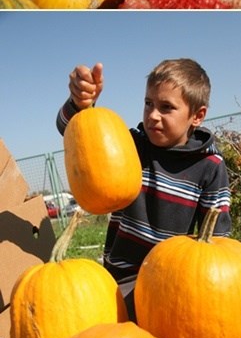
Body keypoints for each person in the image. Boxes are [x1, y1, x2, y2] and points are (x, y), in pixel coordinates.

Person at [57, 56, 231, 317]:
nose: (152, 115)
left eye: (166, 107)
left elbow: (217, 240)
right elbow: (73, 128)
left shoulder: (210, 166)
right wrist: (80, 104)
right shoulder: (133, 145)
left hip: (169, 281)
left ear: (197, 116)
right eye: (148, 103)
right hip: (120, 278)